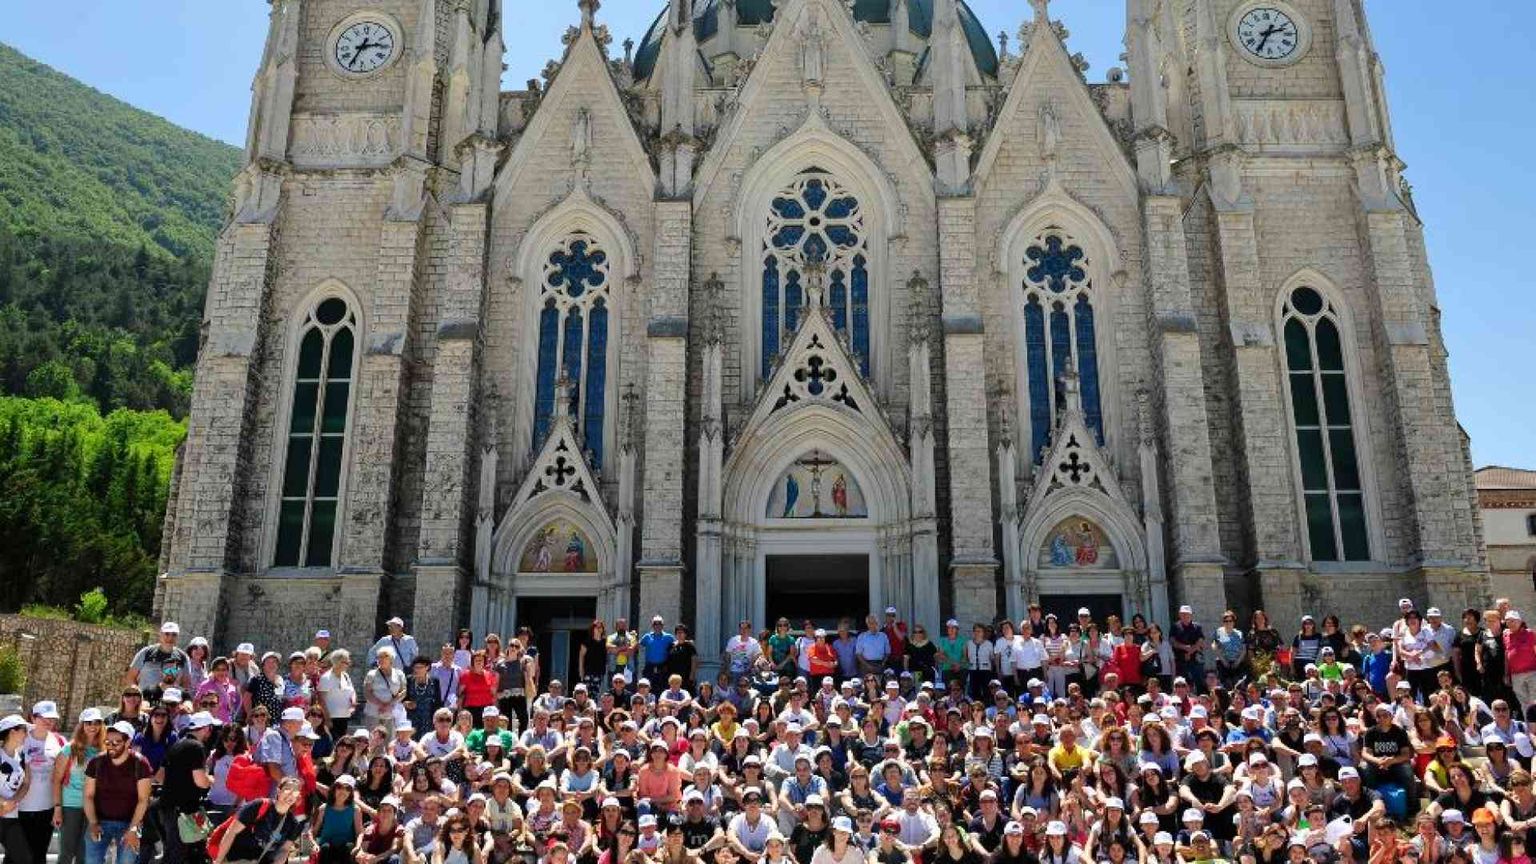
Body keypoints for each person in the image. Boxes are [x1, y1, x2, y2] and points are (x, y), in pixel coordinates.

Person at [83, 720, 154, 864]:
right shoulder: (96, 762)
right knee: (92, 861)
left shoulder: (140, 763)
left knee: (126, 861)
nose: (111, 746)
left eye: (116, 742)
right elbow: (88, 795)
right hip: (100, 820)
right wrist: (93, 822)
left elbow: (143, 799)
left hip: (129, 822)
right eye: (107, 742)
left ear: (128, 743)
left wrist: (133, 828)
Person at [210, 775, 305, 864]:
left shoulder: (293, 824)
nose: (291, 795)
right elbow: (231, 832)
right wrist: (218, 861)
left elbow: (284, 850)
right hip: (237, 859)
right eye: (287, 790)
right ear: (279, 791)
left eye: (295, 792)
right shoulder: (258, 806)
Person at [125, 622, 191, 701]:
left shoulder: (182, 657)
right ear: (161, 635)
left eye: (174, 634)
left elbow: (185, 683)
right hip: (146, 700)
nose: (170, 638)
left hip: (171, 702)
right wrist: (137, 696)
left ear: (177, 637)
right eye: (167, 634)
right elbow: (130, 677)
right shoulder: (146, 652)